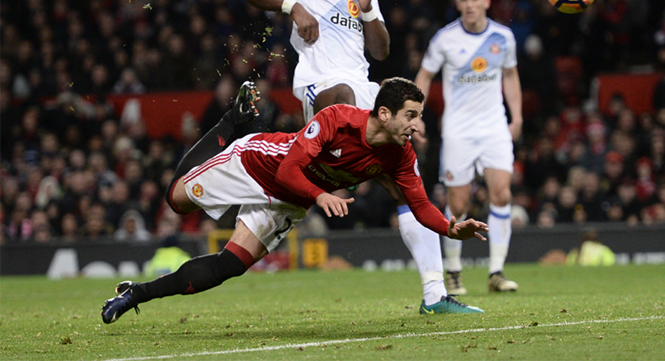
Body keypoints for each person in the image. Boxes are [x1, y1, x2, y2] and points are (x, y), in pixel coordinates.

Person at [101, 78, 487, 324]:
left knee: (230, 265)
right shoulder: (338, 119)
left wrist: (451, 229)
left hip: (288, 202)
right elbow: (288, 171)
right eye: (410, 116)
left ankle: (139, 292)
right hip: (257, 165)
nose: (416, 125)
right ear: (384, 113)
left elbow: (419, 205)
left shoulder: (401, 154)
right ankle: (230, 124)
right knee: (175, 200)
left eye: (418, 116)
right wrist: (320, 195)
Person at [236, 0, 466, 312]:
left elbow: (380, 51)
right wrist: (293, 8)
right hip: (319, 84)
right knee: (341, 93)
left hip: (364, 87)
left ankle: (435, 293)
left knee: (406, 180)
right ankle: (348, 166)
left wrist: (369, 7)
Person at [415, 0, 522, 295]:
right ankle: (454, 271)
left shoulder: (503, 37)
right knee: (458, 204)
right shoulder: (445, 39)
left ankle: (496, 272)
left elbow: (511, 74)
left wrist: (516, 117)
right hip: (458, 131)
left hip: (494, 127)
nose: (471, 5)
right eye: (465, 0)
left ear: (487, 2)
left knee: (501, 194)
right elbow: (424, 74)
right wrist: (415, 114)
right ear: (458, 3)